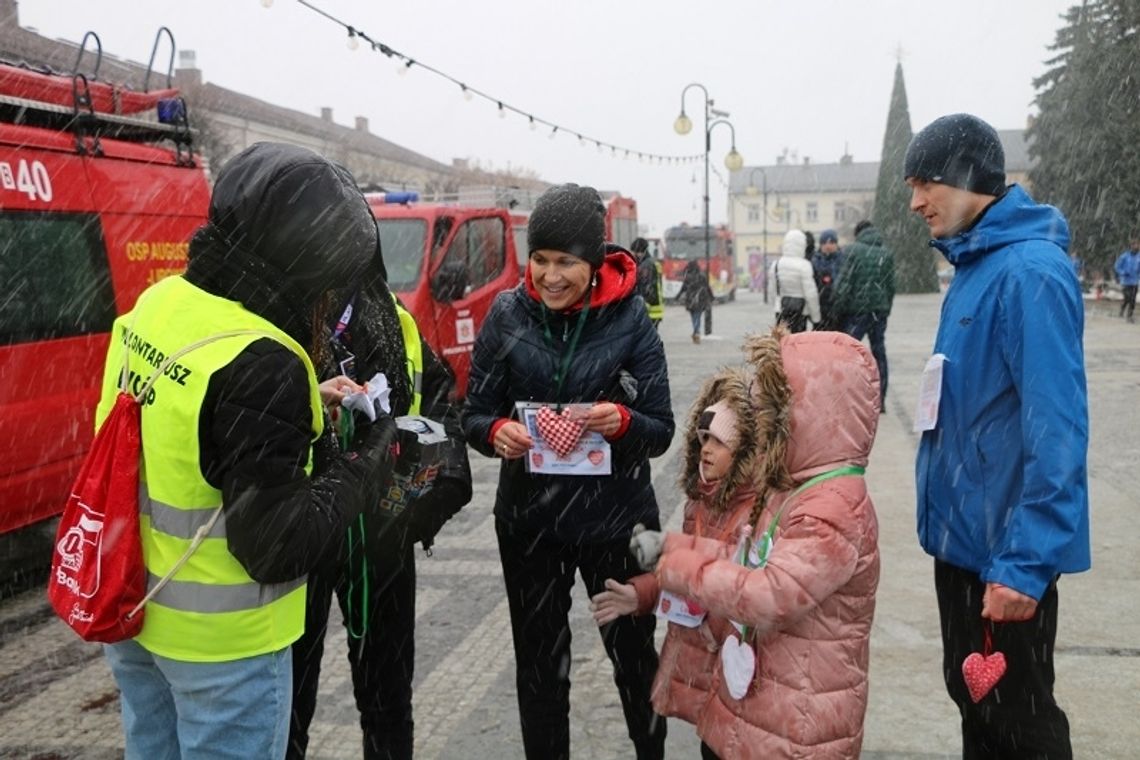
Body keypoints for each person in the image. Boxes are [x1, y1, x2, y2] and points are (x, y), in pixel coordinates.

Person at [96, 142, 399, 759]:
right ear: (306, 270)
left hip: (136, 618)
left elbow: (191, 423)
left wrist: (306, 403)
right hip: (222, 654)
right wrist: (365, 463)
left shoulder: (160, 306)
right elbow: (278, 546)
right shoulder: (265, 360)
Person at [462, 183, 674, 760]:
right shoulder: (507, 314)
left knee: (634, 663)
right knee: (539, 670)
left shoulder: (630, 319)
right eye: (540, 259)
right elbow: (473, 412)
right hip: (531, 524)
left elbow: (662, 429)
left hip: (617, 525)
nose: (550, 276)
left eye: (566, 263)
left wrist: (624, 422)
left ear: (595, 260)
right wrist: (492, 432)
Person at [906, 112, 1090, 758]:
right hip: (964, 547)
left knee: (1021, 724)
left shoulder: (1029, 272)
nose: (915, 201)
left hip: (1004, 558)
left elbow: (1058, 433)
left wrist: (1025, 563)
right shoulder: (975, 265)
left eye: (925, 183)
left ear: (967, 178)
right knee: (980, 712)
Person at [619, 327, 881, 759]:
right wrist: (676, 548)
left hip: (798, 721)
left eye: (773, 410)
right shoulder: (797, 489)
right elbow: (748, 560)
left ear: (812, 416)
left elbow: (767, 594)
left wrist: (678, 568)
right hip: (769, 705)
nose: (760, 423)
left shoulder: (832, 508)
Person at [288, 238, 473, 760]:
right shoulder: (280, 319)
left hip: (384, 534)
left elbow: (438, 404)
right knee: (289, 707)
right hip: (306, 535)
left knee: (388, 699)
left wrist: (435, 491)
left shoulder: (394, 319)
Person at [589, 366, 764, 734]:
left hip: (744, 670)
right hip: (710, 663)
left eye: (719, 441)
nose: (706, 450)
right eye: (702, 438)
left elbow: (725, 575)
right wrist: (641, 594)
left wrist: (667, 554)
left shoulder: (758, 513)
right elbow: (692, 575)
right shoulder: (701, 501)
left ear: (747, 449)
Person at [832, 220, 895, 407]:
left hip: (855, 312)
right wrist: (885, 309)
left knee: (849, 353)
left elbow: (844, 283)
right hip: (879, 311)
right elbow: (891, 286)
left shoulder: (853, 251)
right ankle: (880, 399)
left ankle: (846, 396)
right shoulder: (886, 253)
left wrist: (837, 309)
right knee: (879, 353)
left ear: (858, 233)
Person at [765, 229, 820, 333]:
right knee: (798, 343)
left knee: (783, 341)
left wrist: (776, 305)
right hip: (801, 311)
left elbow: (771, 291)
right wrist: (816, 318)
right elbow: (811, 294)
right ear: (803, 245)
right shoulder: (805, 265)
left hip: (781, 309)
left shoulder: (776, 265)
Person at [812, 228, 844, 330]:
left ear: (836, 244)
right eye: (825, 242)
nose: (828, 245)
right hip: (820, 306)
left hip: (838, 307)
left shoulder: (843, 259)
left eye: (831, 242)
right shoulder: (815, 260)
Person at [631, 236, 665, 329]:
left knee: (648, 339)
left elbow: (647, 286)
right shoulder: (651, 262)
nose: (633, 254)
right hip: (655, 306)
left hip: (650, 308)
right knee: (651, 338)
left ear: (640, 251)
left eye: (635, 251)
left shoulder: (646, 266)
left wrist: (643, 302)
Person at [676, 258, 713, 343]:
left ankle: (696, 330)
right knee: (698, 316)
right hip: (700, 299)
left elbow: (683, 288)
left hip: (690, 300)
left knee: (693, 316)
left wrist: (677, 296)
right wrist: (711, 297)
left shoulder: (687, 276)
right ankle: (696, 331)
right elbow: (707, 287)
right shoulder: (702, 275)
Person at [1113, 237, 1140, 322]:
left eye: (1137, 245)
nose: (1136, 247)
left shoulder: (1139, 257)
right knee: (1127, 298)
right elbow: (1117, 266)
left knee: (1133, 299)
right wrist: (1123, 272)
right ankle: (1122, 308)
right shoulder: (1124, 256)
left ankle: (1129, 316)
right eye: (1134, 245)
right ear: (1131, 246)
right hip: (1125, 281)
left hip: (1134, 281)